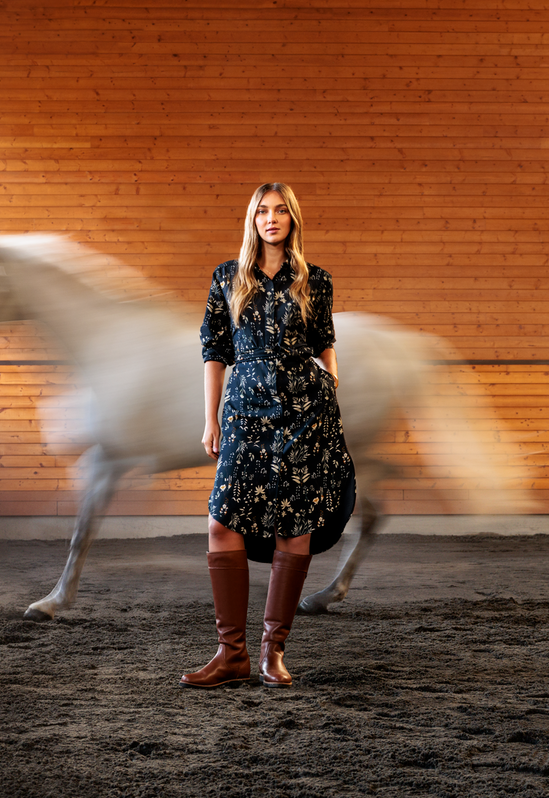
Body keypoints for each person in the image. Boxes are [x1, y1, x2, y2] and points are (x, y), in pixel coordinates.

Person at [182, 182, 356, 689]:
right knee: (222, 522)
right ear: (251, 220)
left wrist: (332, 375)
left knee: (294, 526)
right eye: (262, 211)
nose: (271, 219)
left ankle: (272, 653)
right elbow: (214, 351)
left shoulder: (315, 281)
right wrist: (211, 419)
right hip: (245, 413)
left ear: (293, 219)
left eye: (280, 211)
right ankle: (230, 653)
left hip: (304, 413)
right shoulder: (227, 278)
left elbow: (325, 341)